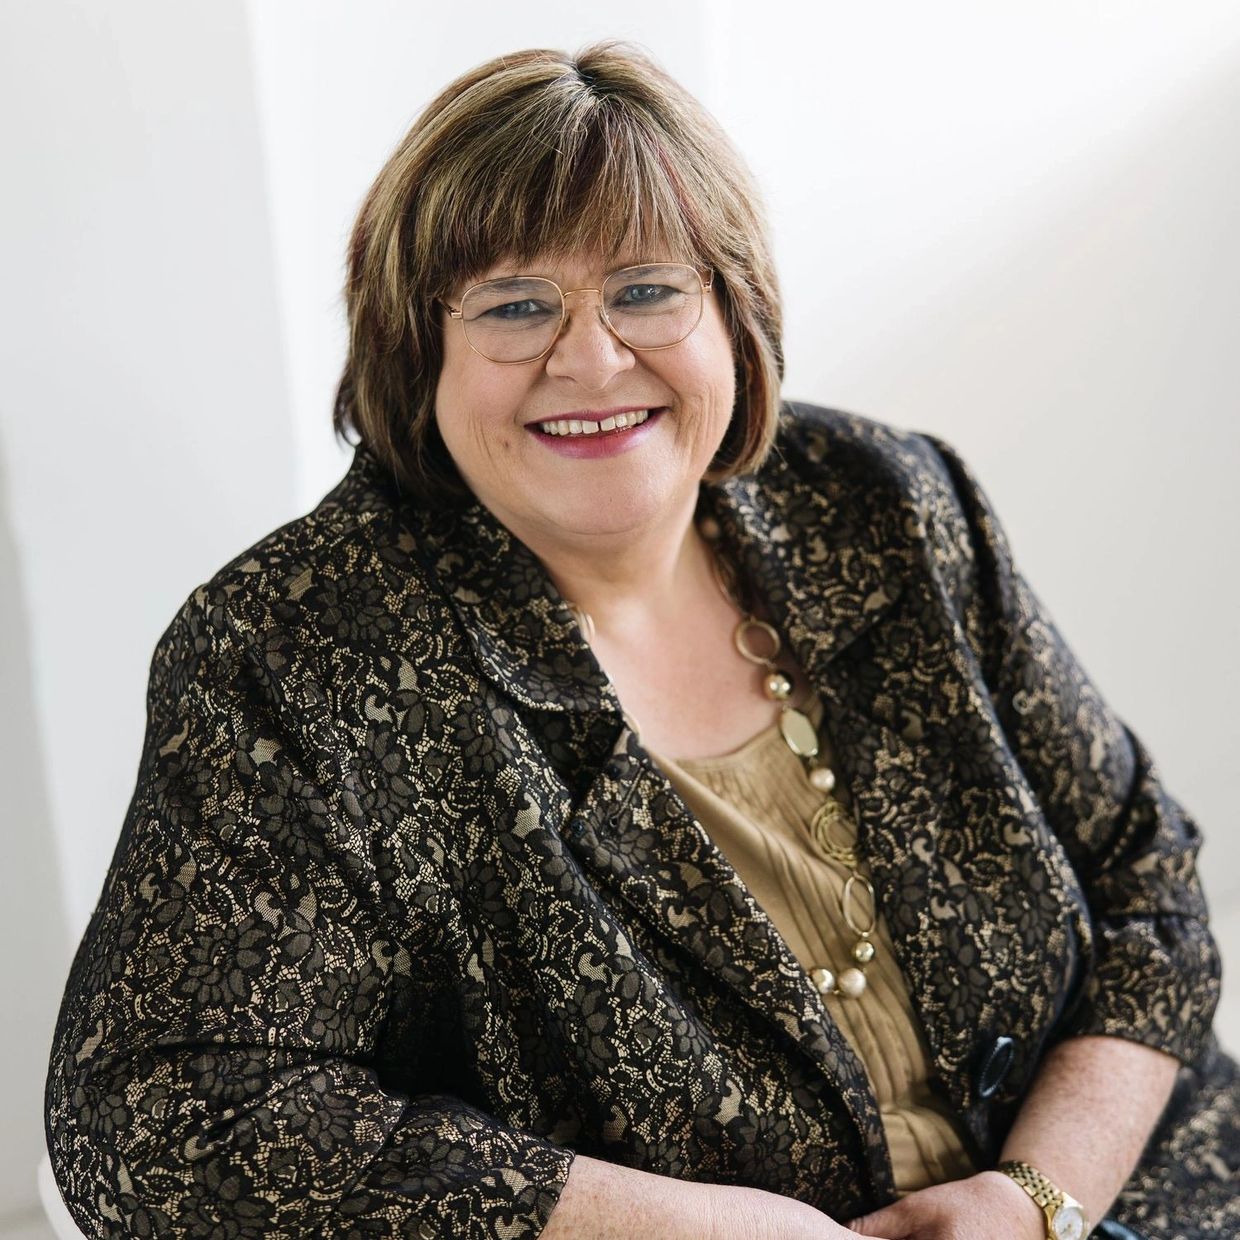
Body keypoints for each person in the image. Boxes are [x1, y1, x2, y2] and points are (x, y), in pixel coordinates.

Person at [44, 40, 1237, 1240]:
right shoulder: (293, 653)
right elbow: (157, 1124)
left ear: (732, 311)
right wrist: (680, 1228)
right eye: (516, 305)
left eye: (647, 289)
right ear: (419, 350)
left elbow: (1147, 871)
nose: (593, 357)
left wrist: (1036, 1198)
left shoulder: (886, 501)